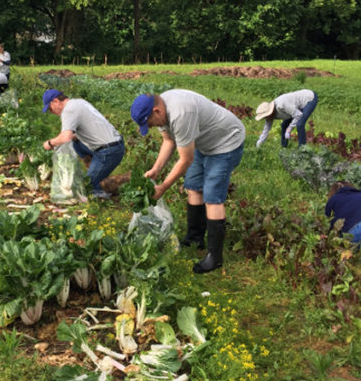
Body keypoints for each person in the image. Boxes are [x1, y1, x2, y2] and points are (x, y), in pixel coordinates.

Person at [130, 90, 245, 274]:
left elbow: (185, 160)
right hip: (203, 142)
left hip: (226, 142)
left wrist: (164, 187)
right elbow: (168, 141)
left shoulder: (181, 114)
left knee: (212, 196)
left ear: (156, 111)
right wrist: (156, 169)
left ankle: (215, 257)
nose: (151, 127)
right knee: (193, 186)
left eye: (150, 123)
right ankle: (195, 238)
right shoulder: (161, 108)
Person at [42, 89, 125, 198]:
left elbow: (65, 137)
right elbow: (73, 136)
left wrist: (50, 143)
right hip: (114, 145)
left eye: (50, 109)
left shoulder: (68, 110)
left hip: (109, 151)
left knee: (85, 188)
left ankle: (105, 189)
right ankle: (95, 168)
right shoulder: (78, 102)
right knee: (76, 142)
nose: (51, 112)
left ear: (56, 101)